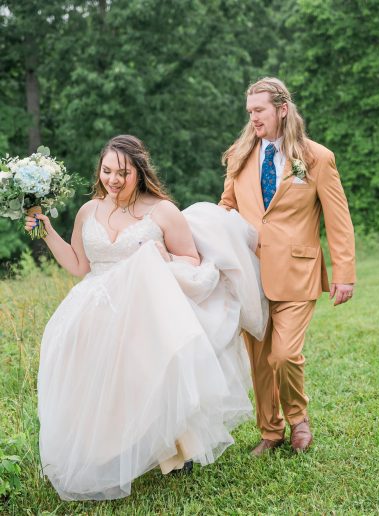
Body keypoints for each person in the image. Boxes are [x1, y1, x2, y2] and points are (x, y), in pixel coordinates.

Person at [26, 135, 267, 501]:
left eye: (122, 172)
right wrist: (45, 228)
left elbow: (191, 261)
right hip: (94, 305)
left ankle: (172, 449)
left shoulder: (162, 211)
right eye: (107, 171)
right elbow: (78, 264)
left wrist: (162, 257)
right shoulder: (88, 211)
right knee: (91, 378)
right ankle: (105, 451)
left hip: (144, 307)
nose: (113, 180)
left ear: (139, 171)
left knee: (145, 376)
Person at [219, 77, 356, 454]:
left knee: (283, 354)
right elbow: (226, 208)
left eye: (259, 111)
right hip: (249, 273)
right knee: (260, 359)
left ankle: (299, 420)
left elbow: (338, 220)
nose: (253, 119)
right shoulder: (239, 156)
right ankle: (270, 431)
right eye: (249, 112)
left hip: (298, 272)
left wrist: (344, 275)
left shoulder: (316, 158)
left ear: (282, 109)